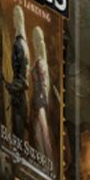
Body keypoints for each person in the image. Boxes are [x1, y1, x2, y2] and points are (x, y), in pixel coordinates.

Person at [30, 25, 56, 161]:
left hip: (40, 104)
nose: (34, 41)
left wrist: (40, 104)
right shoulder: (40, 61)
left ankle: (47, 163)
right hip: (39, 103)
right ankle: (46, 163)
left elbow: (43, 87)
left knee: (42, 135)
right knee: (41, 134)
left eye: (35, 39)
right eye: (34, 38)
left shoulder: (40, 63)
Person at [5, 4, 30, 141]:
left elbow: (24, 82)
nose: (12, 19)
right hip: (20, 99)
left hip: (19, 100)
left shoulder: (18, 45)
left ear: (18, 18)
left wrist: (8, 86)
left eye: (14, 16)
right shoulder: (23, 43)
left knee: (18, 139)